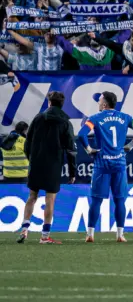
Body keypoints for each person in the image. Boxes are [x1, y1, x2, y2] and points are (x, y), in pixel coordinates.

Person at [78, 91, 133, 243]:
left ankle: (90, 234)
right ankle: (120, 235)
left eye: (100, 101)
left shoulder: (95, 119)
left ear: (104, 104)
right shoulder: (125, 117)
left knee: (96, 201)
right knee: (119, 200)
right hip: (119, 164)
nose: (98, 103)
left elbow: (81, 135)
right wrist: (130, 146)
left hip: (101, 164)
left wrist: (89, 150)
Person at [17, 91, 76, 245]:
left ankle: (24, 229)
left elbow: (27, 142)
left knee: (32, 197)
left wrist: (32, 159)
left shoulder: (38, 118)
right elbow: (71, 149)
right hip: (53, 164)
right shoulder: (65, 121)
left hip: (36, 162)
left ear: (49, 103)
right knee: (50, 199)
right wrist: (72, 171)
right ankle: (44, 236)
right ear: (62, 104)